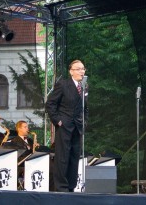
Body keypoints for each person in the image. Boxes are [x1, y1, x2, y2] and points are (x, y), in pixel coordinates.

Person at [45, 59, 88, 192]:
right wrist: (58, 120)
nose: (82, 71)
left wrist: (84, 121)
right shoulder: (63, 84)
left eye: (83, 69)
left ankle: (71, 186)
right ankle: (61, 187)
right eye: (78, 69)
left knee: (75, 156)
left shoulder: (84, 87)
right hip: (64, 126)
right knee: (62, 157)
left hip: (78, 127)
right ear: (71, 71)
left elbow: (85, 107)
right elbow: (50, 103)